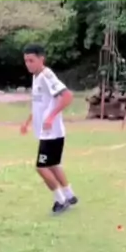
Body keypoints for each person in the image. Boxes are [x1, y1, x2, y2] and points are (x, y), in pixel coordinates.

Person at [20, 44, 78, 215]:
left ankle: (60, 200)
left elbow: (67, 96)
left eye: (31, 60)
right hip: (46, 133)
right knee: (52, 165)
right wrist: (27, 122)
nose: (28, 64)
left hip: (52, 133)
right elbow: (39, 104)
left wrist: (51, 117)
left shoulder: (46, 75)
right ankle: (69, 195)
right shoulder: (36, 77)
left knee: (41, 167)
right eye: (26, 61)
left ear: (41, 59)